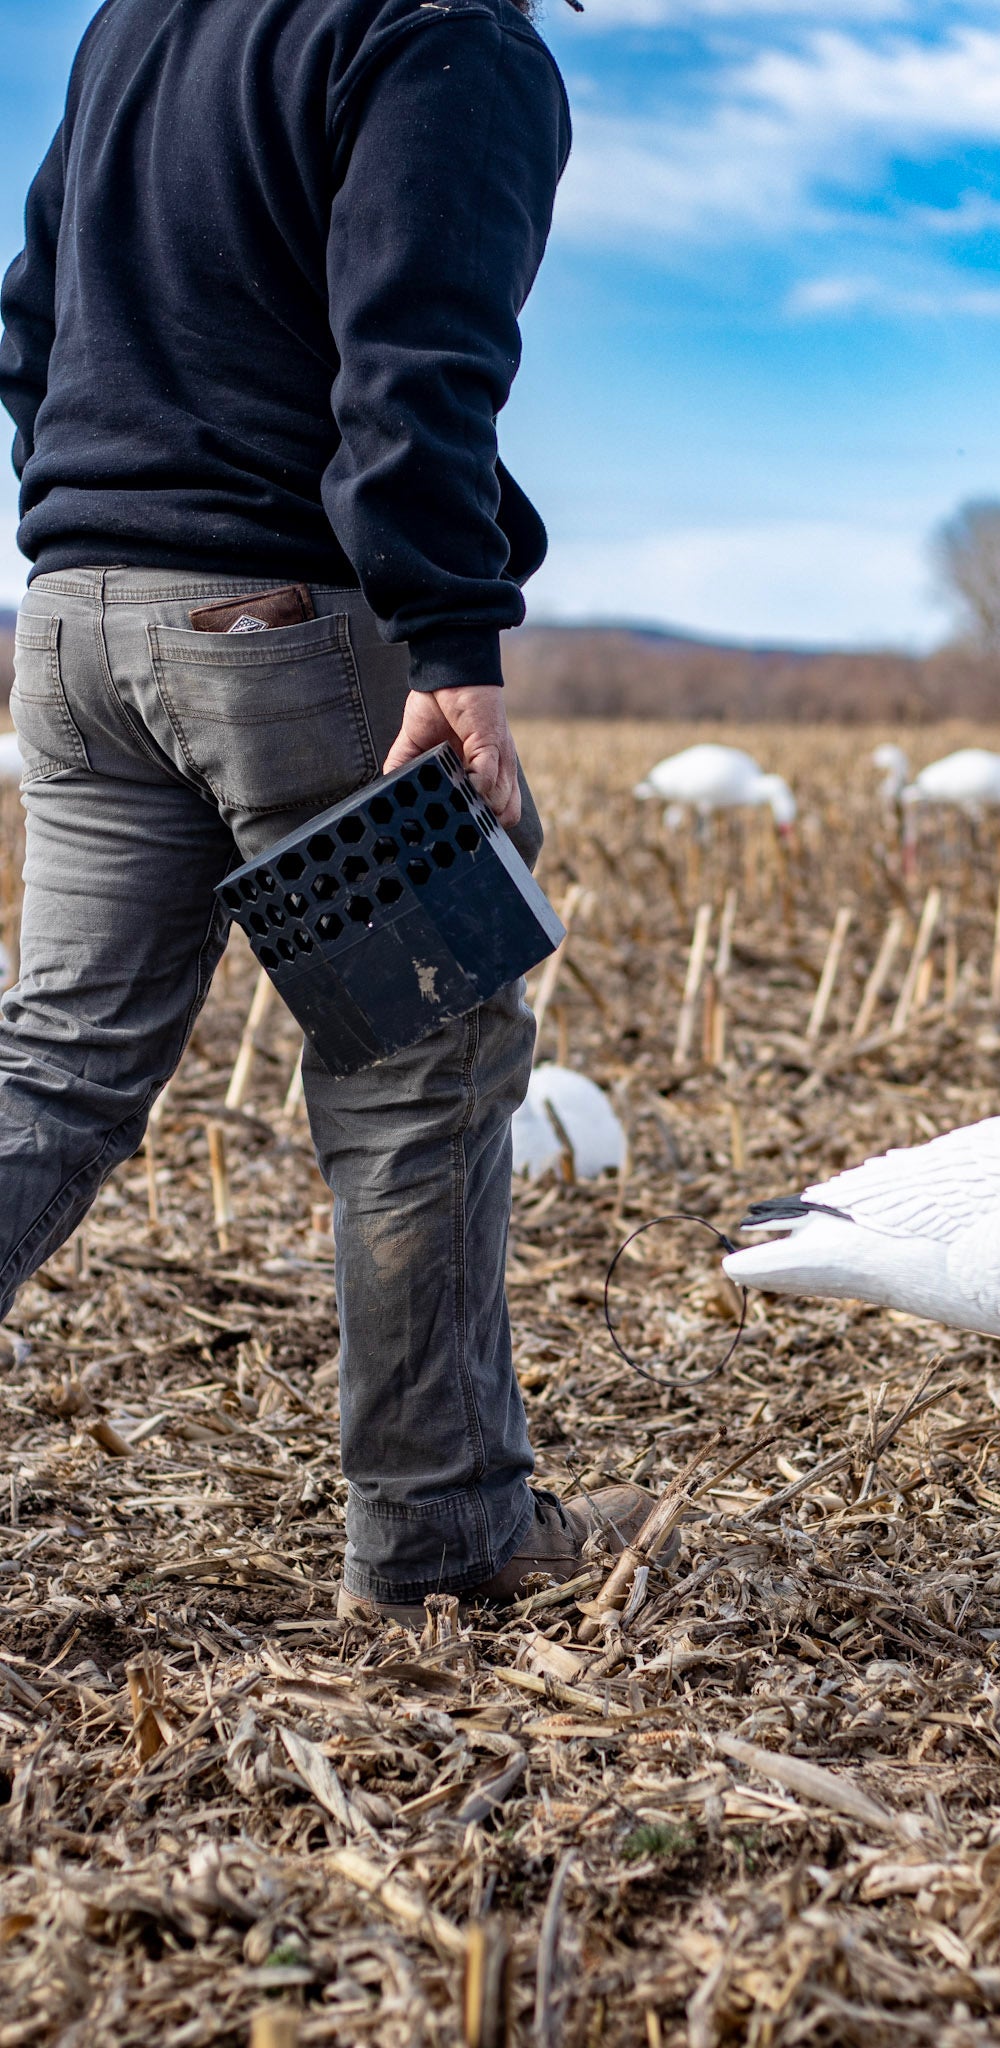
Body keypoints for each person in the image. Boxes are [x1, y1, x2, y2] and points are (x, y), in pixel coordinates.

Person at [0, 0, 660, 1624]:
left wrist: (106, 529)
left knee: (59, 1063)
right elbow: (415, 365)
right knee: (420, 1075)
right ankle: (446, 1540)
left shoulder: (144, 18)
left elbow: (29, 320)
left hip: (72, 620)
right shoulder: (447, 34)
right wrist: (453, 640)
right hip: (287, 632)